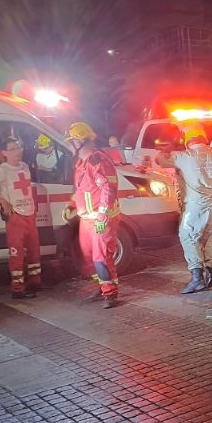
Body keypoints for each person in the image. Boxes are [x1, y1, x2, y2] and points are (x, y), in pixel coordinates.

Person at [65, 122, 121, 308]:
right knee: (88, 256)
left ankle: (110, 294)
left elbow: (109, 189)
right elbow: (82, 189)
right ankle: (102, 286)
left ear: (81, 140)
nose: (70, 144)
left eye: (72, 140)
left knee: (101, 257)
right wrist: (71, 204)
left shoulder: (98, 160)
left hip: (100, 217)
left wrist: (102, 215)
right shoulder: (81, 162)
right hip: (87, 218)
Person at [0, 137, 41, 299]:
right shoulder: (2, 170)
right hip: (16, 217)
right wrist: (3, 202)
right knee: (17, 253)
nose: (17, 151)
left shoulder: (25, 166)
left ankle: (35, 283)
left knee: (34, 250)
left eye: (18, 147)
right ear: (4, 153)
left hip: (30, 214)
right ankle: (17, 289)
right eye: (12, 149)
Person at [172, 123, 212, 294]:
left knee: (188, 236)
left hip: (195, 205)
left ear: (187, 140)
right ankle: (211, 275)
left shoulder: (184, 156)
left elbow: (159, 160)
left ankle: (197, 278)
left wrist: (170, 144)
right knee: (210, 237)